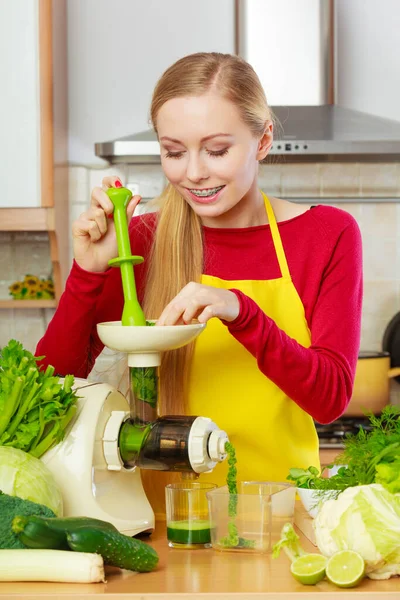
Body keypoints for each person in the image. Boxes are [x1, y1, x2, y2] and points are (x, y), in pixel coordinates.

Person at [36, 52, 362, 518]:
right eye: (173, 152)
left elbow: (329, 399)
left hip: (277, 521)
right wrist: (88, 272)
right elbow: (47, 393)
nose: (193, 172)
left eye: (216, 150)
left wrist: (240, 311)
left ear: (263, 139)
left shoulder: (328, 234)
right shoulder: (140, 240)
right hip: (157, 522)